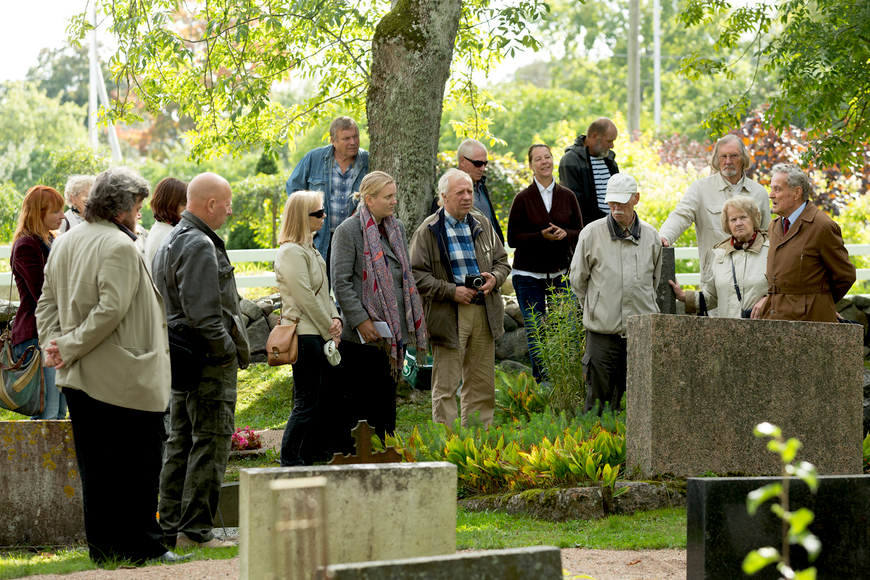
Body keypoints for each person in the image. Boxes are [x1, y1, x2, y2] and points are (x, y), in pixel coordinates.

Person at [36, 167, 186, 565]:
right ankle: (144, 546)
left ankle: (103, 551)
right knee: (139, 466)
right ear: (121, 207)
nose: (139, 214)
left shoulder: (65, 242)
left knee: (98, 471)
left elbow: (45, 304)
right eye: (137, 206)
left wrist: (53, 345)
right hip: (122, 375)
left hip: (78, 377)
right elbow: (110, 311)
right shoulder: (119, 245)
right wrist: (64, 345)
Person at [153, 172, 250, 549]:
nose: (229, 210)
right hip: (206, 362)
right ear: (210, 204)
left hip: (186, 360)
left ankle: (171, 528)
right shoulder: (197, 244)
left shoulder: (175, 239)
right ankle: (196, 531)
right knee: (209, 441)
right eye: (226, 203)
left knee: (181, 441)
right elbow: (206, 316)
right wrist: (226, 351)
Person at [332, 171, 428, 443]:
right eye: (388, 197)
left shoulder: (395, 228)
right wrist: (361, 320)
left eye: (395, 195)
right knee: (360, 404)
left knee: (385, 400)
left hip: (391, 335)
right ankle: (357, 458)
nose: (394, 201)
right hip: (361, 339)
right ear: (369, 199)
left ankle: (386, 453)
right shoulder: (348, 231)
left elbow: (403, 276)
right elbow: (340, 283)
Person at [410, 169, 511, 428]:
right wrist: (451, 290)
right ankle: (449, 446)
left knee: (481, 384)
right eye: (460, 192)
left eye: (469, 191)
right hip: (449, 314)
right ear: (443, 197)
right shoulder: (429, 230)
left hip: (483, 312)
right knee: (445, 386)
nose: (468, 197)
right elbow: (415, 275)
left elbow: (502, 261)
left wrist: (494, 279)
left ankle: (478, 446)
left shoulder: (482, 223)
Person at [570, 173, 661, 414]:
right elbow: (578, 281)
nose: (616, 207)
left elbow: (654, 281)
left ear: (636, 199)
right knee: (597, 405)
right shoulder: (591, 233)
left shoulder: (651, 236)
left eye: (622, 201)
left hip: (641, 333)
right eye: (612, 202)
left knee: (640, 406)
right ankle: (592, 449)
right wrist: (597, 307)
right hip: (602, 334)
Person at [274, 190, 342, 466]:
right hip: (304, 334)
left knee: (315, 402)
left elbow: (324, 292)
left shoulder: (310, 250)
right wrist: (330, 330)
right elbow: (305, 297)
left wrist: (335, 318)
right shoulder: (291, 252)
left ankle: (303, 456)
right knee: (305, 402)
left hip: (317, 333)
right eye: (318, 213)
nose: (324, 217)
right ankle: (289, 458)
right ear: (303, 218)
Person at [507, 144, 583, 382]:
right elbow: (513, 238)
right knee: (536, 332)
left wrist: (565, 234)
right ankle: (544, 384)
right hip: (528, 275)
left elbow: (580, 231)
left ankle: (567, 381)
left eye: (547, 157)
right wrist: (540, 236)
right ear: (531, 165)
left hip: (560, 273)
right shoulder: (522, 199)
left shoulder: (567, 196)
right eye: (538, 159)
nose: (544, 162)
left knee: (568, 329)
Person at [659, 134, 770, 288]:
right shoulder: (700, 188)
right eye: (723, 156)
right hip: (714, 283)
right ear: (716, 159)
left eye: (733, 156)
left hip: (752, 284)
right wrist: (664, 236)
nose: (728, 161)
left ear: (743, 158)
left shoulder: (759, 193)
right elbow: (681, 215)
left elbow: (767, 239)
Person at [754, 163, 856, 322]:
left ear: (796, 192)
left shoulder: (822, 227)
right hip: (775, 320)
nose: (771, 195)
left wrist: (820, 301)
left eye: (777, 189)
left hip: (809, 322)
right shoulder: (774, 226)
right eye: (771, 188)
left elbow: (845, 275)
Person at [11, 185, 67, 420]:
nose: (62, 216)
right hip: (36, 335)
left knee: (59, 412)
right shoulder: (27, 245)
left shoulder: (49, 240)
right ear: (38, 213)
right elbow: (41, 293)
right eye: (56, 211)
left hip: (53, 333)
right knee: (47, 413)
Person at [285, 116, 369, 269]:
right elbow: (293, 189)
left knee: (350, 288)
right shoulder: (314, 158)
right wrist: (309, 220)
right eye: (346, 138)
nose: (353, 142)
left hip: (354, 239)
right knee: (321, 286)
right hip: (319, 238)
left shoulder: (368, 162)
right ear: (333, 141)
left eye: (355, 136)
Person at [669, 196, 769, 319]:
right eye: (733, 219)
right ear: (727, 224)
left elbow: (789, 291)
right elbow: (711, 295)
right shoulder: (721, 253)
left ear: (754, 219)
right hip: (728, 332)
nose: (738, 223)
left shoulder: (772, 249)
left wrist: (768, 300)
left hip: (763, 331)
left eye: (743, 217)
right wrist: (683, 296)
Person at [558, 117, 619, 227]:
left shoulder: (609, 159)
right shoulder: (571, 160)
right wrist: (603, 222)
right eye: (609, 141)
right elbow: (575, 202)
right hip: (590, 230)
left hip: (614, 227)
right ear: (595, 136)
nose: (612, 146)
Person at [449, 138, 505, 244]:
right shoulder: (449, 189)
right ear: (462, 161)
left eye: (485, 163)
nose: (483, 168)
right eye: (478, 163)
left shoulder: (482, 187)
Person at [144, 177, 188, 272]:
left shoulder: (159, 229)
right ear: (170, 205)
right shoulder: (171, 235)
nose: (187, 208)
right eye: (184, 203)